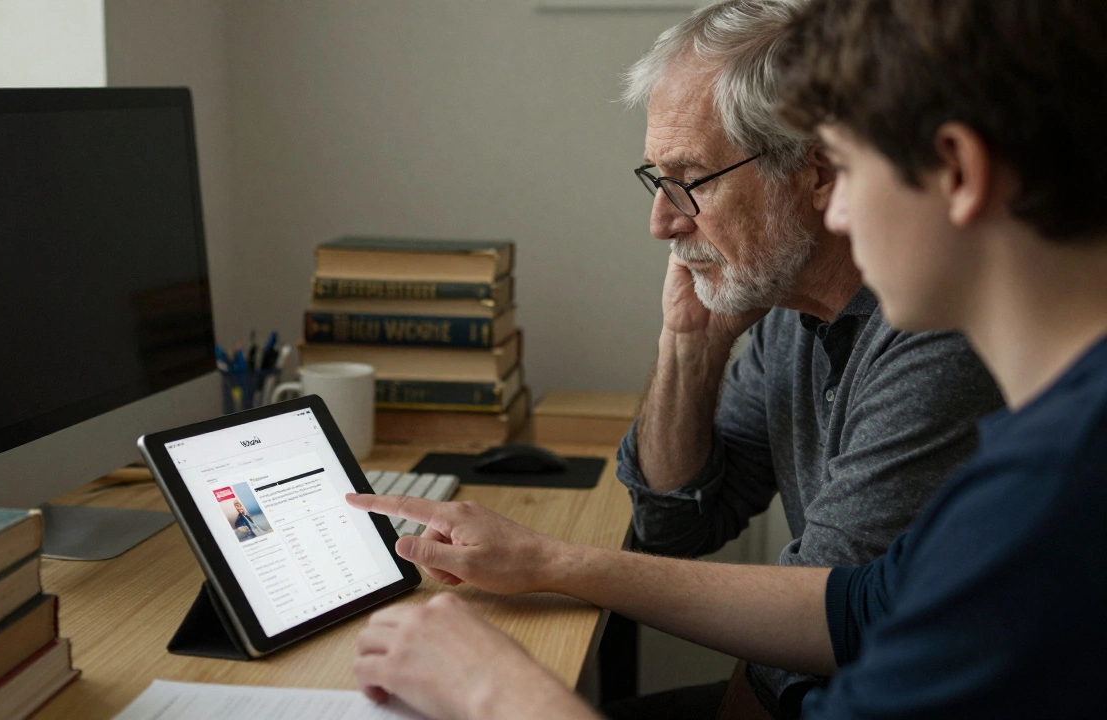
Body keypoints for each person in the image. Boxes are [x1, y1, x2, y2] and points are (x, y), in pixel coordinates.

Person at [346, 1, 1107, 718]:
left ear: (956, 172)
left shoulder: (1048, 486)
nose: (839, 211)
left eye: (848, 167)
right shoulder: (1046, 439)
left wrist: (491, 688)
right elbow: (859, 604)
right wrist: (549, 560)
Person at [621, 1, 1002, 716]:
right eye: (656, 178)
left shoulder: (934, 337)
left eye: (690, 179)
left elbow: (819, 628)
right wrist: (689, 347)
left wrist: (559, 567)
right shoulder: (787, 316)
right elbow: (673, 528)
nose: (662, 220)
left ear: (818, 171)